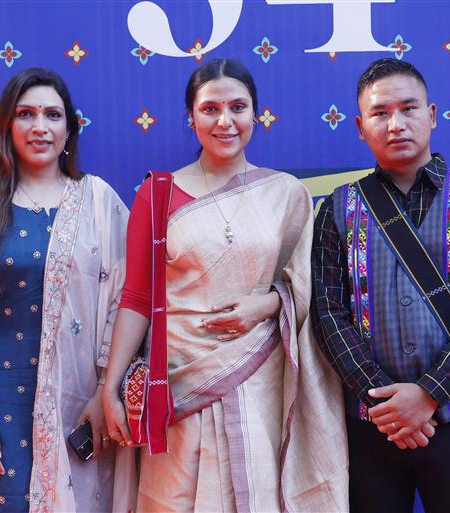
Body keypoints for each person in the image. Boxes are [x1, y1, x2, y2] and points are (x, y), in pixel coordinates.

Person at [102, 58, 349, 512]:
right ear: (190, 118)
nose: (225, 121)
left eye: (238, 107)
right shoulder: (157, 195)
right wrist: (112, 385)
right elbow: (137, 297)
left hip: (262, 382)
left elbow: (309, 287)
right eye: (210, 109)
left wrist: (270, 304)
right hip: (177, 386)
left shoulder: (285, 193)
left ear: (257, 114)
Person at [311, 58, 450, 513]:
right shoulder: (336, 210)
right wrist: (383, 401)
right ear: (360, 126)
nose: (396, 123)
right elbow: (327, 313)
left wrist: (428, 394)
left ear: (433, 115)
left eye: (409, 108)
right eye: (380, 113)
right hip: (368, 428)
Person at [0, 67, 135, 512]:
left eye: (52, 115)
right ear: (7, 127)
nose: (39, 127)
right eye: (26, 114)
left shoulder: (99, 202)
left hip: (83, 401)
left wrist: (105, 391)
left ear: (69, 129)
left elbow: (127, 300)